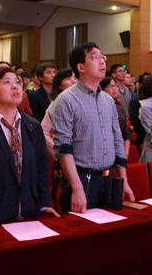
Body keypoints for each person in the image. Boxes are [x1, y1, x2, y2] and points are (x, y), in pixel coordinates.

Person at [0, 67, 59, 229]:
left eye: (17, 82)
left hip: (30, 212)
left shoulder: (33, 126)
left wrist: (44, 203)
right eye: (7, 82)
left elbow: (42, 169)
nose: (15, 86)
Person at [51, 42, 134, 213]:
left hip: (109, 177)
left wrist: (123, 179)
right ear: (80, 67)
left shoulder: (108, 100)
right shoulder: (66, 99)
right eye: (94, 58)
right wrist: (77, 188)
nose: (102, 62)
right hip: (83, 179)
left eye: (102, 57)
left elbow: (117, 140)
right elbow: (62, 148)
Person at [41, 69, 76, 160]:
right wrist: (61, 154)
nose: (73, 81)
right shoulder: (56, 104)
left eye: (75, 77)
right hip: (70, 158)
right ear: (59, 86)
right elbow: (43, 133)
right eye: (68, 78)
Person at [100, 76, 132, 159]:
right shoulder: (99, 108)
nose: (114, 88)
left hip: (120, 150)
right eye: (110, 86)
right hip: (105, 152)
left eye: (116, 86)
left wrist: (126, 152)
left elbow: (126, 134)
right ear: (102, 90)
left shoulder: (119, 108)